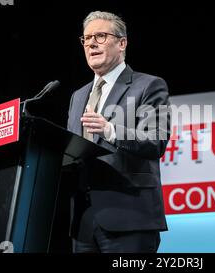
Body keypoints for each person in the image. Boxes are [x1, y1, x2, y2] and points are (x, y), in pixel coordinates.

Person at [66, 11, 170, 253]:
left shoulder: (149, 85)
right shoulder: (78, 96)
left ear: (122, 43)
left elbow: (155, 141)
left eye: (100, 36)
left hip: (130, 217)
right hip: (83, 221)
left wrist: (110, 130)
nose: (91, 43)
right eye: (87, 38)